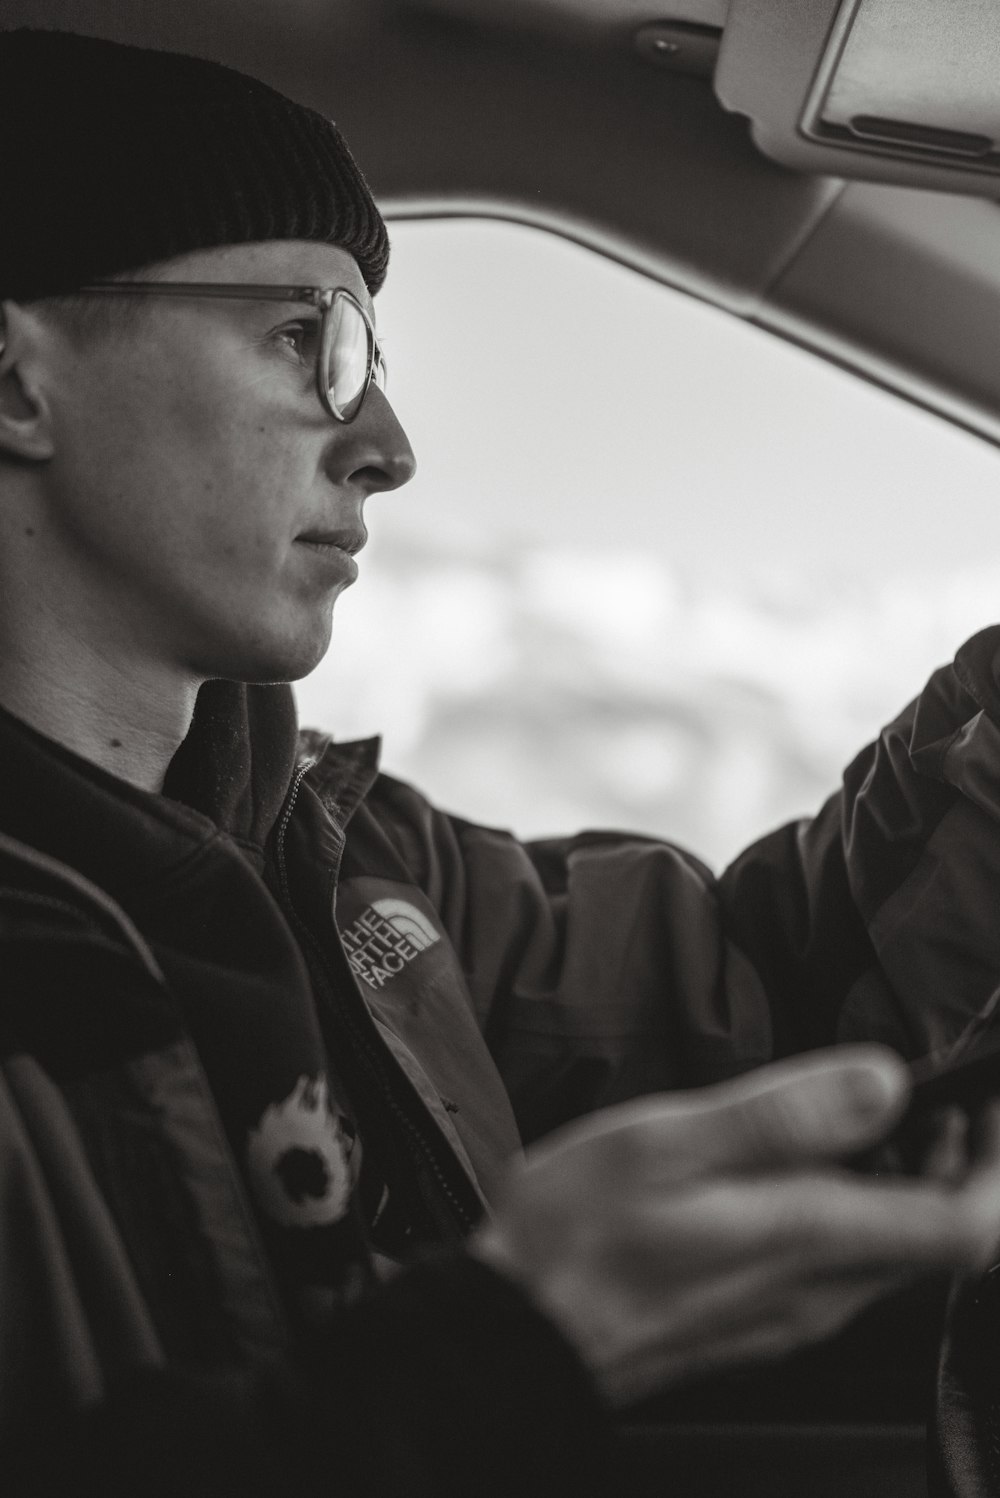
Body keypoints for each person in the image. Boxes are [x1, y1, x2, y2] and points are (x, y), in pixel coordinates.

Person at [1, 27, 999, 1497]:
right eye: (311, 342)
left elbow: (761, 1007)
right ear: (17, 384)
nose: (388, 445)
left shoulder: (336, 861)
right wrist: (516, 1349)